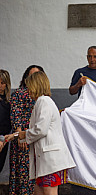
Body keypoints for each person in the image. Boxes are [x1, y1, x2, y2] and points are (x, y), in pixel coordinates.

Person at [18, 71, 76, 195]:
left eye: (30, 88)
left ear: (37, 86)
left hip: (50, 160)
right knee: (38, 192)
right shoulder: (43, 101)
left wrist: (24, 134)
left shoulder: (43, 101)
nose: (28, 91)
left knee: (49, 192)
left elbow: (41, 130)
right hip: (45, 161)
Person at [9, 65, 44, 195]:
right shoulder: (19, 93)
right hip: (22, 140)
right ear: (25, 78)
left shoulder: (42, 96)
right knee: (23, 175)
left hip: (36, 140)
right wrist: (21, 136)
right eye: (31, 75)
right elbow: (15, 115)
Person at [0, 69, 12, 172]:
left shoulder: (9, 101)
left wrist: (3, 139)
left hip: (4, 139)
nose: (0, 85)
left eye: (2, 83)